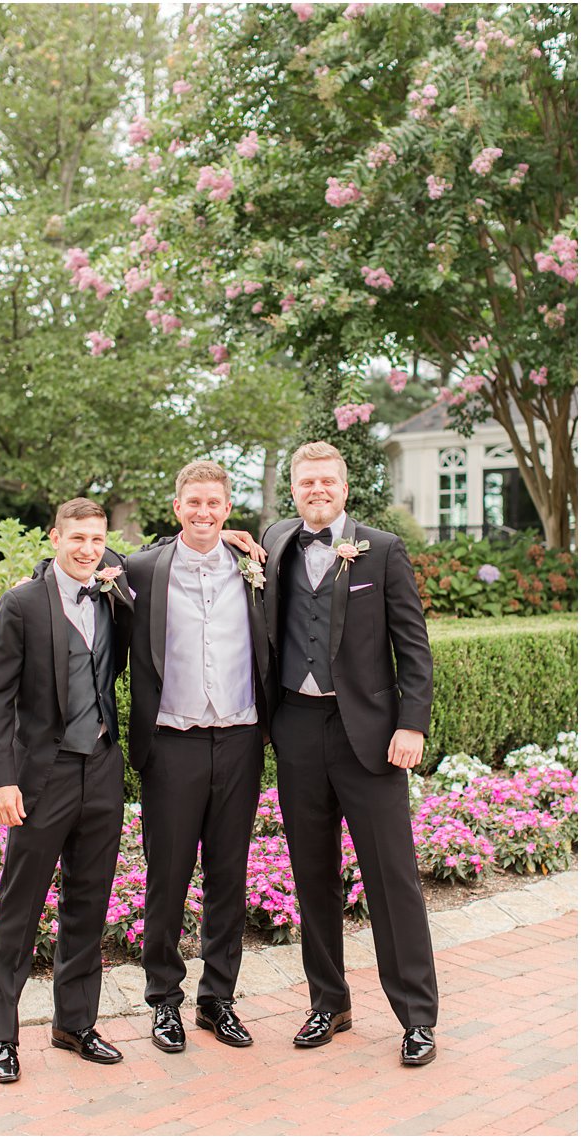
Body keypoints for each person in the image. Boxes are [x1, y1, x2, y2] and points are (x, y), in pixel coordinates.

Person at [262, 440, 438, 1067]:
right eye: (307, 481)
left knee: (392, 879)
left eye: (327, 481)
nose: (318, 490)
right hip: (298, 728)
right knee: (312, 875)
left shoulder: (383, 550)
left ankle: (417, 1017)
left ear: (344, 485)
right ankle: (328, 1003)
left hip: (371, 737)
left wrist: (411, 724)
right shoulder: (276, 542)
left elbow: (413, 648)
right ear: (294, 488)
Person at [0, 498, 133, 1084]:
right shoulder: (21, 603)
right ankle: (1, 1037)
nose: (88, 549)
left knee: (88, 903)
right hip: (42, 777)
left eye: (97, 539)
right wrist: (1, 780)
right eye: (77, 539)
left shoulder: (114, 598)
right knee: (20, 907)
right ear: (54, 538)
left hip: (102, 769)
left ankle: (75, 1024)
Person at [124, 461, 273, 1054]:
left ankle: (219, 1000)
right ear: (177, 505)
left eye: (214, 503)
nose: (204, 512)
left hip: (240, 740)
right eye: (193, 502)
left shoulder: (257, 566)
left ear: (228, 507)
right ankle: (164, 1001)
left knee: (229, 877)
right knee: (167, 877)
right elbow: (64, 566)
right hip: (173, 743)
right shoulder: (141, 568)